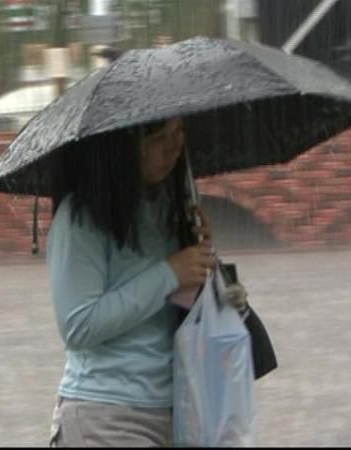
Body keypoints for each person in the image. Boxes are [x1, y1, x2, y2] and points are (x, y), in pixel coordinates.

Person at [46, 117, 248, 447]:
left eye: (180, 132)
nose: (175, 146)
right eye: (159, 137)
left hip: (180, 410)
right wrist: (170, 273)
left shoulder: (171, 208)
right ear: (123, 146)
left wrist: (207, 277)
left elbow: (169, 313)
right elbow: (78, 326)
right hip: (106, 417)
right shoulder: (80, 218)